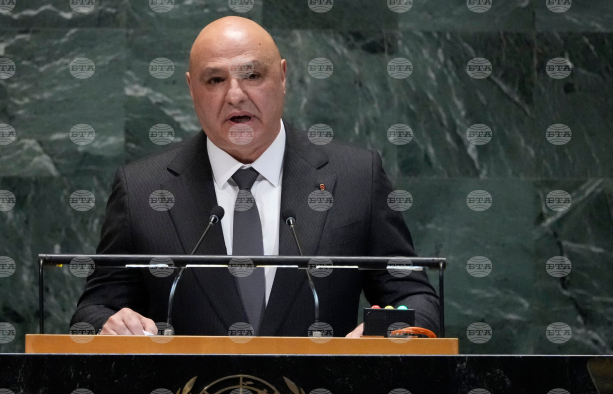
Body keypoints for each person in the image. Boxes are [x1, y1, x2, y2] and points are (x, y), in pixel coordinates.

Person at [70, 16, 440, 338]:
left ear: (283, 77)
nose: (235, 95)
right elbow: (92, 313)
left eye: (252, 75)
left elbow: (414, 297)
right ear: (191, 89)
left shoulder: (356, 177)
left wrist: (384, 332)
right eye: (215, 79)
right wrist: (113, 324)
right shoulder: (142, 190)